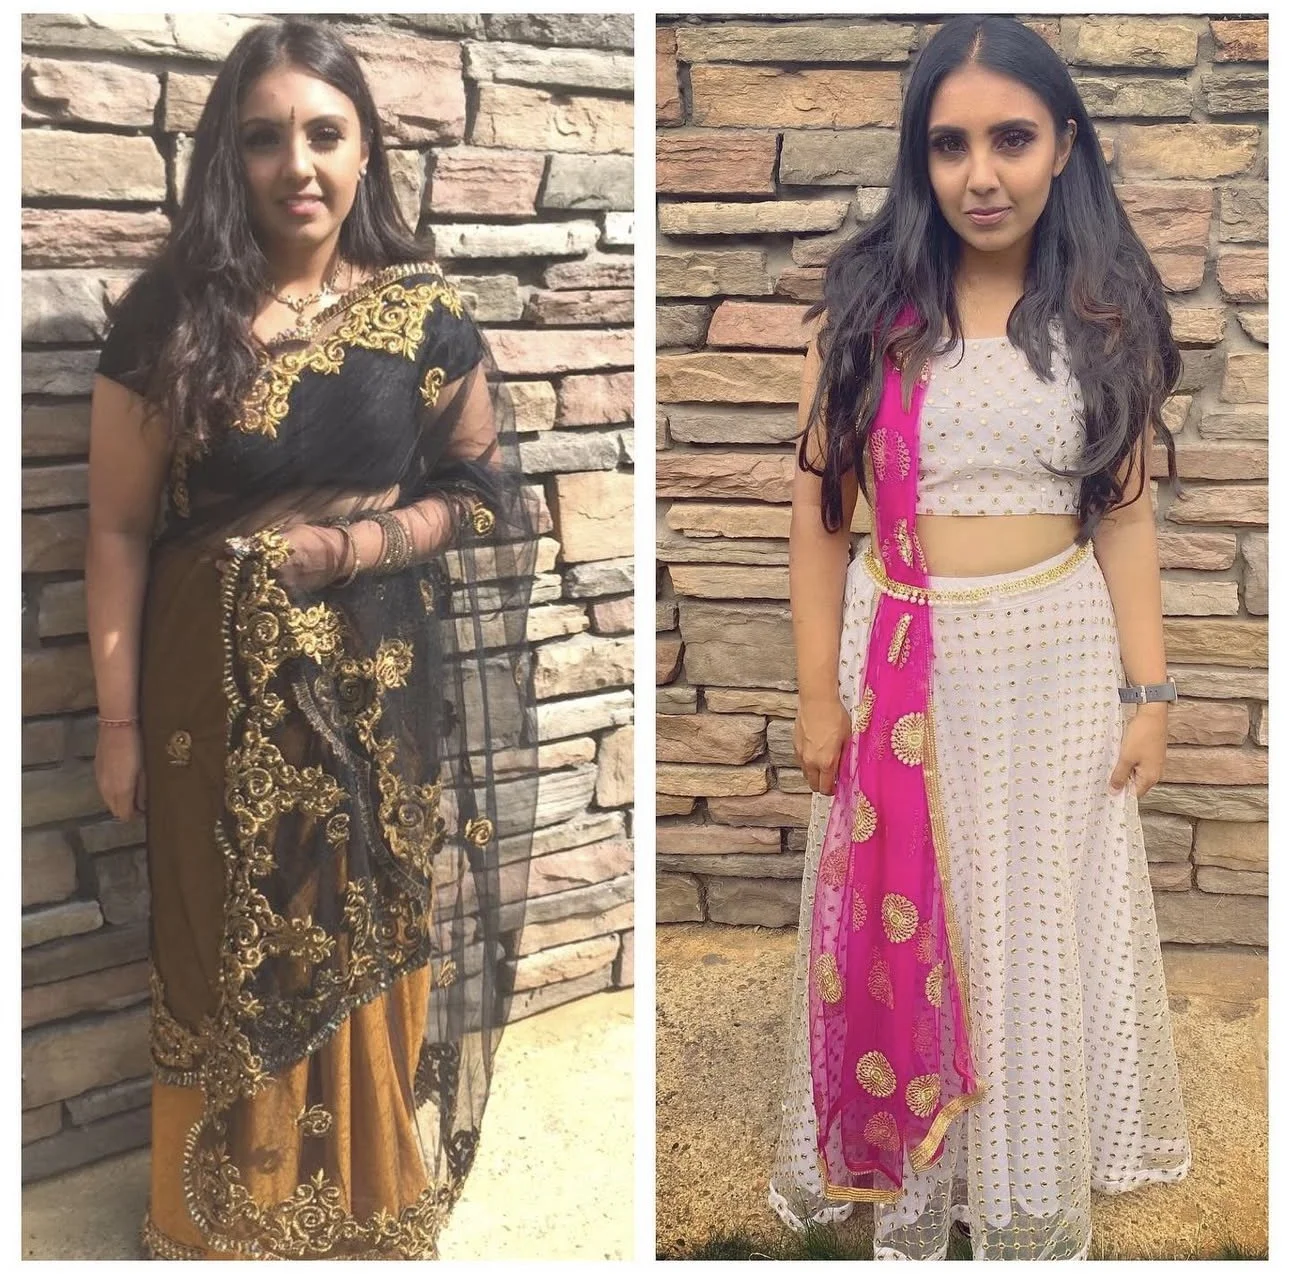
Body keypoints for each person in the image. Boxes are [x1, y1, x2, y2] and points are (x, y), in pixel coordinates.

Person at [86, 19, 537, 1259]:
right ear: (227, 159)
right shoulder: (167, 317)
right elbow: (119, 530)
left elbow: (487, 493)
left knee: (362, 919)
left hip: (375, 700)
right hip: (204, 700)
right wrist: (116, 722)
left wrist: (351, 550)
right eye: (266, 136)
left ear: (366, 150)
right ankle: (231, 1212)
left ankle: (362, 1196)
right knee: (224, 929)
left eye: (326, 134)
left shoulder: (423, 318)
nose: (300, 164)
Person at [769, 15, 1190, 1261]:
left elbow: (1121, 515)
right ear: (920, 159)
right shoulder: (870, 318)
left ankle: (1024, 1167)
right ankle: (922, 1174)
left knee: (1034, 915)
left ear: (1065, 145)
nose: (981, 173)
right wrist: (811, 697)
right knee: (926, 911)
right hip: (906, 666)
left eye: (1011, 138)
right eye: (949, 145)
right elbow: (817, 519)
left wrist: (1150, 688)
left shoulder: (1100, 315)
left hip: (1053, 665)